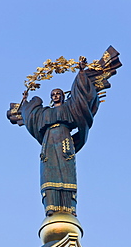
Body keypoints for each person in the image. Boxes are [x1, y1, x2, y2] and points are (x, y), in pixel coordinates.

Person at [19, 47, 122, 216]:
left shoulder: (69, 107)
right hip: (49, 143)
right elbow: (31, 116)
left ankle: (69, 207)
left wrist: (81, 72)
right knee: (49, 172)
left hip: (65, 140)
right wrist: (26, 103)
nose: (56, 96)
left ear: (62, 95)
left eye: (58, 93)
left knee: (66, 172)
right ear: (51, 97)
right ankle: (51, 206)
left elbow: (80, 95)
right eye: (53, 94)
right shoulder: (44, 113)